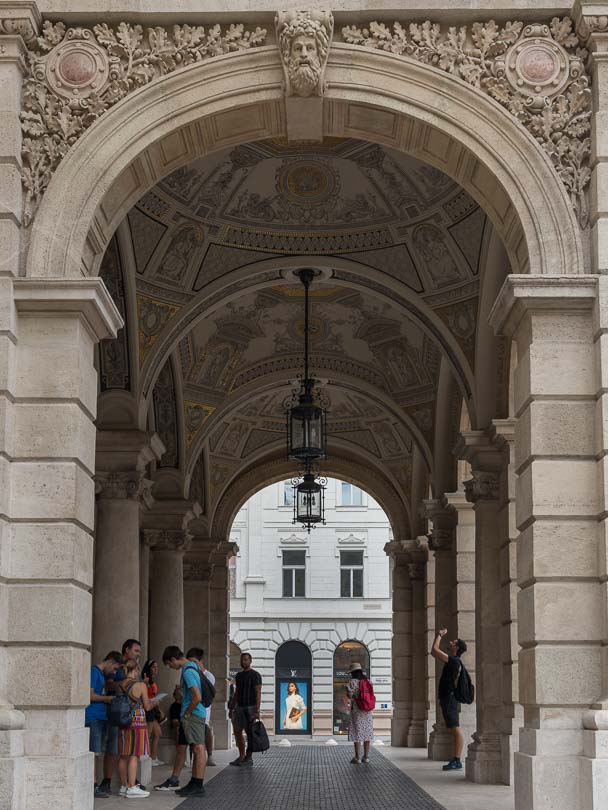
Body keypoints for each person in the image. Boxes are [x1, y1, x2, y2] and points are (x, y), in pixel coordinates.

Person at [161, 645, 207, 798]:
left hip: (193, 714)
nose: (170, 667)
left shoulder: (187, 671)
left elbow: (197, 696)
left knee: (198, 749)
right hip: (196, 713)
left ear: (174, 659)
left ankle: (198, 785)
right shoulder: (193, 666)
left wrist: (186, 713)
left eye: (169, 664)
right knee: (196, 748)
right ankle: (194, 783)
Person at [98, 639, 143, 796]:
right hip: (116, 711)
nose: (138, 654)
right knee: (113, 747)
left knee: (126, 750)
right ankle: (107, 781)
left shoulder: (134, 668)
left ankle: (129, 782)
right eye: (136, 650)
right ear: (127, 650)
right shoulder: (117, 667)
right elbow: (109, 684)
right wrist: (126, 683)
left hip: (130, 713)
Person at [85, 650, 122, 799]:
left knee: (97, 751)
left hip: (100, 716)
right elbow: (89, 694)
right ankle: (93, 785)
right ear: (110, 662)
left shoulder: (101, 674)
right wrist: (107, 698)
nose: (114, 672)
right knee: (93, 752)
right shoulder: (94, 672)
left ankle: (95, 784)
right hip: (93, 716)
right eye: (114, 668)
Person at [431, 627, 468, 771]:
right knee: (453, 728)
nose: (451, 642)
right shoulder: (453, 661)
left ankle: (457, 760)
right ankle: (456, 759)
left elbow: (434, 651)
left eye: (454, 642)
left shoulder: (454, 661)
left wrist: (439, 635)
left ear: (456, 647)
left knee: (455, 728)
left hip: (450, 699)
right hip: (448, 699)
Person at [116, 660, 155, 798]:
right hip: (137, 723)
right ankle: (132, 787)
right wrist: (156, 701)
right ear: (137, 670)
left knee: (123, 755)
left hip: (122, 721)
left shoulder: (120, 684)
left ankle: (123, 786)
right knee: (134, 754)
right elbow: (147, 706)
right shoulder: (140, 685)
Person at [228, 652, 262, 766]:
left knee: (249, 732)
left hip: (251, 707)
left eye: (246, 660)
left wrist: (257, 710)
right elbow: (237, 693)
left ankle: (249, 757)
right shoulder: (239, 676)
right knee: (237, 731)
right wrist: (231, 707)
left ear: (250, 661)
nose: (244, 662)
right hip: (240, 707)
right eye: (242, 660)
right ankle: (242, 755)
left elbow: (258, 692)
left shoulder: (255, 675)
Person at [346, 663, 374, 764]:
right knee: (367, 733)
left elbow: (349, 696)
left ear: (353, 673)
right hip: (367, 711)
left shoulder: (352, 682)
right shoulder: (368, 681)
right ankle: (366, 757)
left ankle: (357, 758)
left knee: (356, 733)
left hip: (357, 711)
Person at [142, 659, 164, 766]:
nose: (156, 669)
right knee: (149, 733)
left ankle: (153, 757)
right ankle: (147, 756)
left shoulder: (153, 681)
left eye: (157, 667)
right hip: (147, 709)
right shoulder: (145, 681)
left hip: (153, 709)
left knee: (157, 733)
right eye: (154, 667)